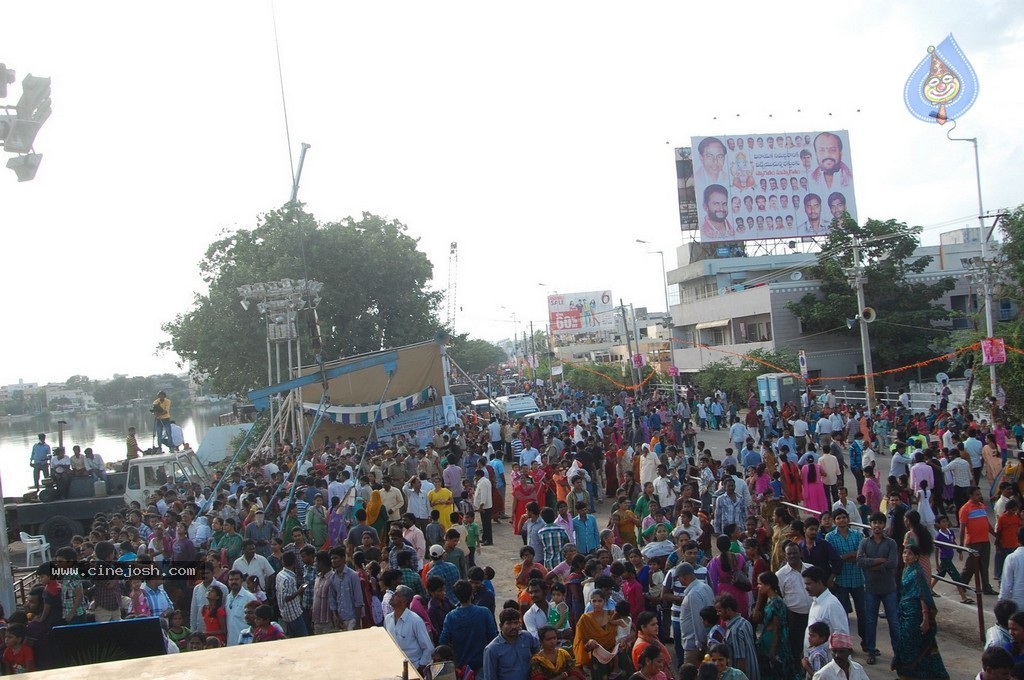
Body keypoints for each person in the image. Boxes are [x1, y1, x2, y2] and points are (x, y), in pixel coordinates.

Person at [891, 545, 949, 678]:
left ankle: (919, 673)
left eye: (910, 554)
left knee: (914, 644)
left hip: (914, 614)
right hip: (904, 612)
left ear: (916, 557)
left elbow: (922, 595)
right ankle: (908, 673)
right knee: (905, 643)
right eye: (905, 553)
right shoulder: (906, 569)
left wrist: (925, 617)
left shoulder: (917, 573)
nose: (906, 556)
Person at [856, 512, 899, 665]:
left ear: (884, 525)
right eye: (874, 523)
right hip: (872, 588)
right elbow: (859, 561)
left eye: (880, 523)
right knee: (870, 622)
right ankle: (871, 651)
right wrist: (880, 561)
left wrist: (873, 566)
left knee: (894, 622)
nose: (877, 526)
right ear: (871, 525)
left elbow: (893, 563)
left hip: (888, 588)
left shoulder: (891, 543)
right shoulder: (864, 543)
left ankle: (898, 653)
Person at [439, 579, 498, 674]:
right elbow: (493, 639)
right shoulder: (484, 612)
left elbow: (443, 642)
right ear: (472, 594)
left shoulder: (450, 617)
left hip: (462, 669)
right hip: (483, 665)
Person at [751, 571, 797, 680]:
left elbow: (778, 628)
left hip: (774, 645)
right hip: (766, 642)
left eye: (760, 584)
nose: (758, 587)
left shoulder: (777, 603)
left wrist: (773, 650)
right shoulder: (769, 599)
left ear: (768, 585)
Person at [384, 585, 434, 673]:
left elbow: (428, 648)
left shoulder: (415, 621)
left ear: (404, 601)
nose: (392, 595)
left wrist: (420, 668)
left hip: (413, 668)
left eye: (397, 594)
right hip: (394, 669)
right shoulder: (388, 619)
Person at [573, 590, 619, 680]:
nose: (597, 604)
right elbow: (583, 646)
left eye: (600, 601)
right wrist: (590, 643)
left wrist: (624, 639)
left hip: (615, 654)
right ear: (590, 602)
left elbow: (630, 625)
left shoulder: (612, 615)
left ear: (605, 602)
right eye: (594, 601)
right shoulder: (585, 619)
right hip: (596, 658)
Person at [483, 607, 540, 680]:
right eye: (509, 623)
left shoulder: (526, 637)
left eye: (516, 622)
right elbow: (490, 677)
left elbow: (539, 653)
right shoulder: (492, 649)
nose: (513, 626)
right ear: (501, 626)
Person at [716, 593, 760, 680]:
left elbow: (741, 659)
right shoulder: (744, 622)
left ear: (728, 610)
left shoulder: (735, 630)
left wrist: (738, 677)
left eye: (720, 611)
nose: (718, 614)